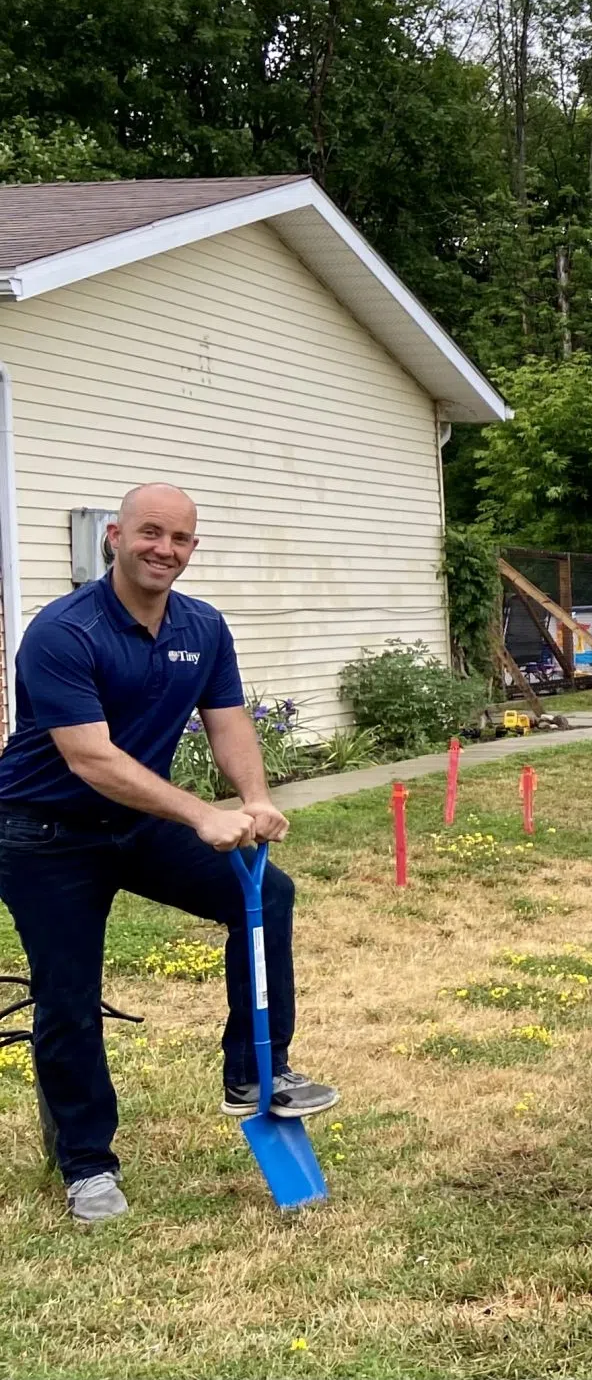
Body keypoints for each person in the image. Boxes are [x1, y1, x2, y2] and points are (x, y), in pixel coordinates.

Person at [0, 484, 335, 1224]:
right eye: (150, 533)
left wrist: (252, 798)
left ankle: (257, 1073)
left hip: (136, 824)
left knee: (265, 896)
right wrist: (198, 813)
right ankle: (87, 1165)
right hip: (45, 833)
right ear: (114, 537)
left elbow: (228, 721)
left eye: (180, 539)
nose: (165, 550)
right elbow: (91, 759)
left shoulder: (203, 626)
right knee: (69, 998)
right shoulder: (63, 631)